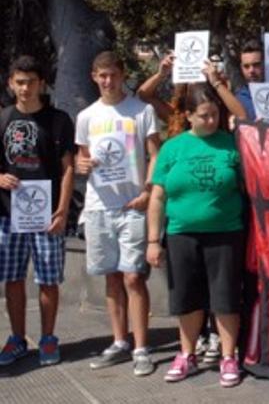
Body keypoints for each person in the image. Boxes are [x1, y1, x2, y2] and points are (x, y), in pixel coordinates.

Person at [146, 84, 244, 387]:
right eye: (204, 116)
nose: (212, 120)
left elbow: (246, 187)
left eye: (215, 114)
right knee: (186, 299)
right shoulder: (172, 148)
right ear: (189, 116)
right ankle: (187, 354)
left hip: (226, 234)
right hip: (181, 235)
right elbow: (158, 197)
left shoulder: (231, 145)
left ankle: (228, 357)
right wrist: (152, 239)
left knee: (225, 299)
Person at [75, 51, 160, 376]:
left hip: (132, 207)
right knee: (112, 277)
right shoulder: (86, 116)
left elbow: (155, 153)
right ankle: (119, 341)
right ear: (94, 77)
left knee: (134, 277)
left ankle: (141, 347)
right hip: (99, 207)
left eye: (112, 74)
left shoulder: (142, 111)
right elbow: (83, 159)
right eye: (101, 75)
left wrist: (147, 191)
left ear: (122, 74)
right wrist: (82, 165)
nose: (107, 81)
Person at [0, 56, 75, 367]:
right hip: (8, 215)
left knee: (47, 280)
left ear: (41, 84)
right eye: (19, 81)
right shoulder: (3, 118)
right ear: (10, 84)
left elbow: (68, 168)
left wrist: (62, 210)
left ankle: (47, 338)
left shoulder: (58, 120)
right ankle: (17, 339)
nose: (25, 88)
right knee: (12, 278)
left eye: (31, 81)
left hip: (47, 216)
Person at [136, 52, 247, 123]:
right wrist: (161, 75)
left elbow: (242, 116)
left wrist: (216, 82)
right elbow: (143, 95)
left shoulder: (218, 116)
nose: (196, 93)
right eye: (190, 86)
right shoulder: (176, 117)